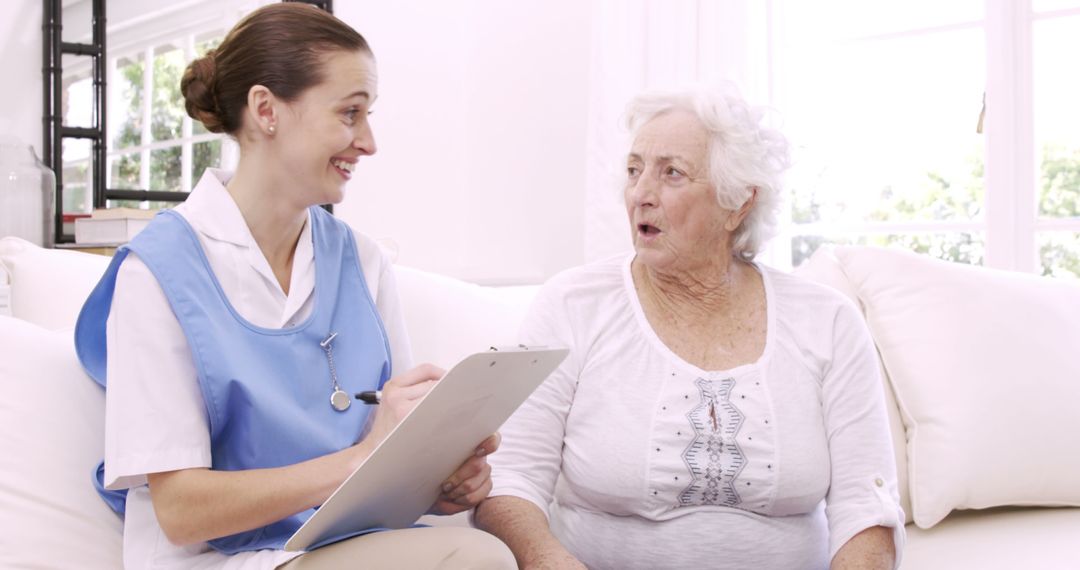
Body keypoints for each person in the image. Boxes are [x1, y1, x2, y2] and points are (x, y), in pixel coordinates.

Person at [73, 4, 514, 569]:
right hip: (216, 559)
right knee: (474, 558)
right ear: (266, 110)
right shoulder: (158, 272)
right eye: (350, 113)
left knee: (474, 548)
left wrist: (439, 483)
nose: (369, 142)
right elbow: (182, 512)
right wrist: (364, 457)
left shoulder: (362, 260)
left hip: (336, 543)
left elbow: (383, 463)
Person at [474, 86, 905, 569]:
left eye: (671, 173)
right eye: (634, 170)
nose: (640, 194)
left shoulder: (827, 320)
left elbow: (866, 508)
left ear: (738, 202)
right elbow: (511, 479)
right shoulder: (572, 304)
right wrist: (547, 560)